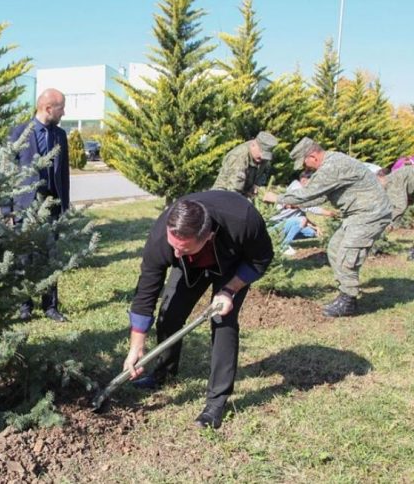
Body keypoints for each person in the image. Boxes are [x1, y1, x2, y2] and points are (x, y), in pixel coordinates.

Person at [123, 191, 273, 429]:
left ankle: (216, 403)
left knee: (223, 323)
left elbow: (261, 259)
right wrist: (136, 346)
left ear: (208, 236)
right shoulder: (164, 237)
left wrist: (230, 290)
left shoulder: (242, 220)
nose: (175, 254)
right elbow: (146, 293)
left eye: (183, 249)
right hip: (191, 266)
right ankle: (164, 373)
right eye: (174, 246)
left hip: (232, 264)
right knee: (169, 315)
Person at [264, 137, 392, 317]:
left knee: (347, 254)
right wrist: (295, 203)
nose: (305, 168)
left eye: (305, 163)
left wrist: (277, 198)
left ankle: (348, 302)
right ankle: (346, 293)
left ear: (313, 156)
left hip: (369, 214)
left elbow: (308, 193)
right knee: (335, 248)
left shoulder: (332, 166)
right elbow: (320, 196)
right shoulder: (331, 163)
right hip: (357, 214)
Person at [9, 88, 70, 323]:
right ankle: (24, 306)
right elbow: (6, 174)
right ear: (48, 108)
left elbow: (64, 173)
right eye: (61, 107)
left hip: (51, 205)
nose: (64, 112)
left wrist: (63, 206)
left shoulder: (60, 135)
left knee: (50, 257)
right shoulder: (19, 133)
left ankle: (50, 306)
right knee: (23, 257)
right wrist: (7, 211)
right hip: (25, 206)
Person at [269, 171, 335, 256]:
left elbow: (301, 214)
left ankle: (280, 239)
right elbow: (309, 207)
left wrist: (316, 227)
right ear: (303, 180)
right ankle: (283, 246)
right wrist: (330, 213)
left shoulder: (301, 191)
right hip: (275, 225)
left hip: (287, 223)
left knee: (311, 232)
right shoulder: (296, 190)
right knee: (301, 220)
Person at [212, 131, 279, 197]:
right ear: (253, 145)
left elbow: (264, 172)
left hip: (244, 194)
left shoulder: (261, 158)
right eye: (261, 153)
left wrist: (257, 185)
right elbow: (234, 191)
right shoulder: (239, 157)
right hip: (223, 195)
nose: (262, 158)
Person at [377, 165, 414, 260]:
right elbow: (400, 205)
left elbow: (400, 206)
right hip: (402, 179)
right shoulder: (397, 179)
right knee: (395, 211)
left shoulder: (394, 180)